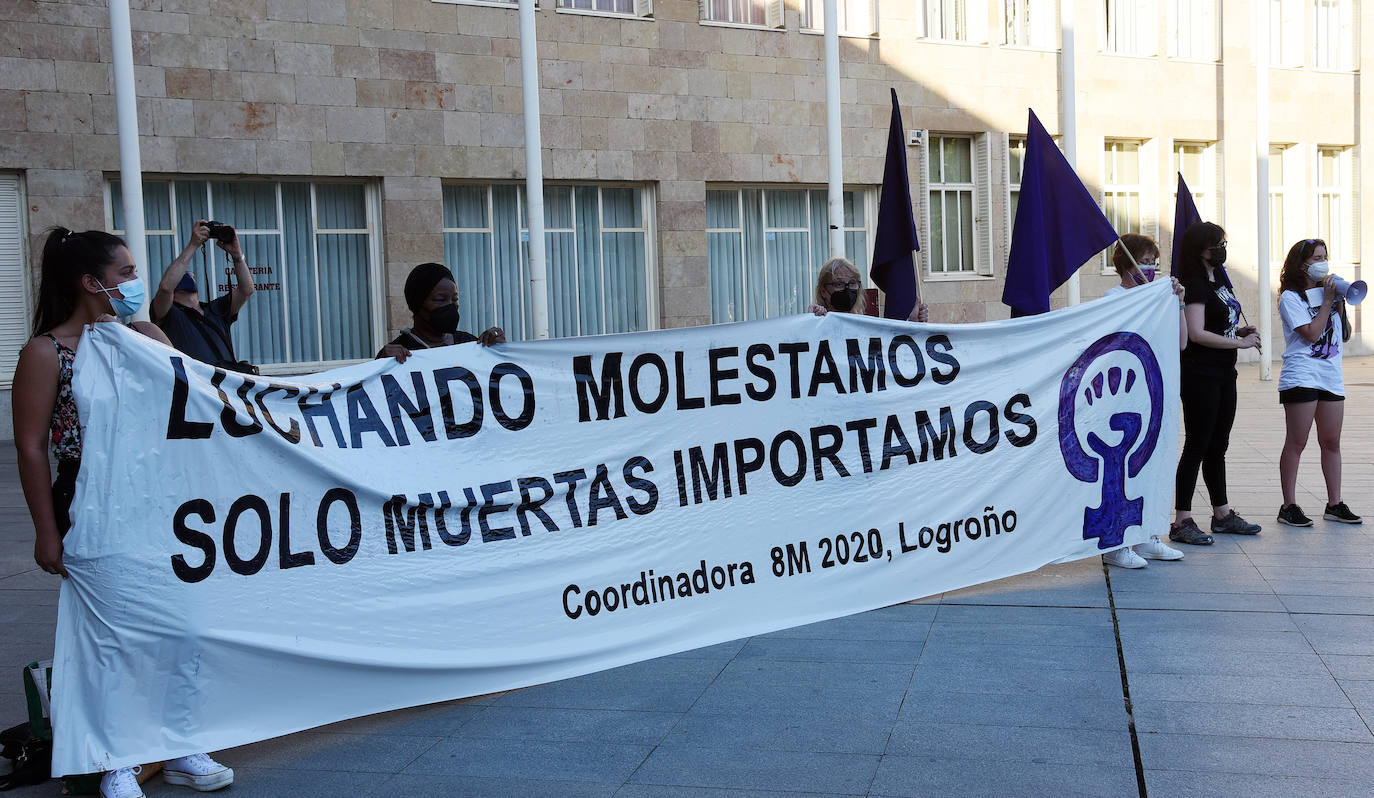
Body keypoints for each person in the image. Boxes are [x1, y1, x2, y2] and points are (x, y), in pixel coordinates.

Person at [11, 228, 235, 798]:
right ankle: (116, 756)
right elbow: (33, 445)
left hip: (156, 499)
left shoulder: (144, 335)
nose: (135, 283)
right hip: (89, 504)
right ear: (92, 283)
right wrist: (45, 531)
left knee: (182, 626)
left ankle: (180, 742)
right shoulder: (46, 353)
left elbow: (201, 398)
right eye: (125, 273)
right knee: (111, 636)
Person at [1169, 222, 1264, 546]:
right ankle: (1182, 519)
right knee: (1197, 443)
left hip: (1224, 373)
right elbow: (1196, 333)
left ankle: (1221, 514)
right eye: (1216, 244)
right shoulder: (1194, 285)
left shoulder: (1217, 283)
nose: (1222, 249)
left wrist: (1239, 333)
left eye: (1224, 242)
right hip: (1200, 374)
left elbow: (1217, 326)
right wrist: (1240, 345)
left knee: (1217, 445)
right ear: (1200, 250)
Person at [1099, 235, 1187, 568]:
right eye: (1145, 260)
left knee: (1155, 465)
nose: (1149, 268)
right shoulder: (1113, 298)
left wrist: (1177, 302)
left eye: (1154, 261)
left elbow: (1180, 343)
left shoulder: (1159, 298)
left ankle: (1147, 535)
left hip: (1155, 392)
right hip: (1123, 395)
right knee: (1123, 470)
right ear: (1127, 263)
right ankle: (1115, 542)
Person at [1276, 238, 1361, 526]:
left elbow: (1345, 335)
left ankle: (1334, 503)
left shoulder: (1330, 296)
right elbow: (1311, 333)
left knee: (1331, 441)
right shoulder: (1292, 297)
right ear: (1301, 264)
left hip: (1330, 375)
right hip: (1302, 374)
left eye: (1324, 257)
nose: (1322, 263)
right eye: (1315, 258)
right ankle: (1289, 505)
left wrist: (1339, 303)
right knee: (1297, 442)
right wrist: (1326, 301)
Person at [151, 220, 255, 371]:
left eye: (191, 275)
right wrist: (193, 245)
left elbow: (247, 290)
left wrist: (237, 255)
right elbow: (166, 287)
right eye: (184, 274)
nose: (190, 275)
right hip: (196, 386)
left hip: (227, 383)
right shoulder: (168, 313)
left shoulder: (216, 309)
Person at [377, 262, 506, 362]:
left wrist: (499, 350)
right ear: (417, 304)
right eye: (440, 299)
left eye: (455, 299)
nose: (450, 306)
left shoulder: (469, 343)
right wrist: (381, 365)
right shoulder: (398, 353)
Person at [807, 257, 928, 321]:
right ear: (823, 291)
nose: (847, 289)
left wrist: (912, 324)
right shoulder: (816, 321)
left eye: (853, 283)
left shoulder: (865, 326)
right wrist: (811, 322)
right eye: (839, 284)